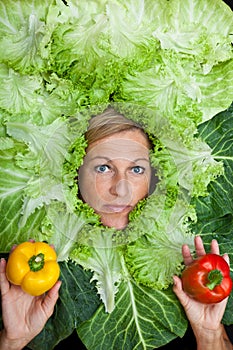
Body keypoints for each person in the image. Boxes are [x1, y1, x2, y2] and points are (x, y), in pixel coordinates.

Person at [0, 107, 232, 350]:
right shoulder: (26, 273)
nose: (121, 190)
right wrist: (12, 341)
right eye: (103, 168)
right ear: (74, 173)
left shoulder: (199, 266)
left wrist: (209, 335)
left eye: (136, 169)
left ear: (155, 177)